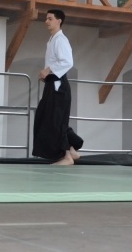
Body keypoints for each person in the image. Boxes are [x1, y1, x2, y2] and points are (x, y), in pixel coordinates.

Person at [32, 9, 84, 165]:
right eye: (46, 19)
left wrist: (48, 70)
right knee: (48, 116)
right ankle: (72, 149)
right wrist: (47, 75)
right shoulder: (52, 40)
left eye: (50, 19)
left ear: (59, 20)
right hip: (53, 83)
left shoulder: (60, 40)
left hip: (58, 85)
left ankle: (66, 156)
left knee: (55, 119)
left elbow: (67, 62)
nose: (46, 21)